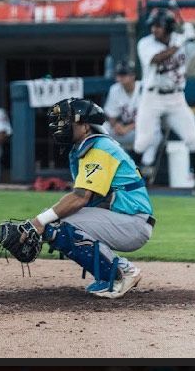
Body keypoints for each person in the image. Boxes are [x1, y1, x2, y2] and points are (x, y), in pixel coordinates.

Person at [16, 97, 154, 298]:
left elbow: (80, 197)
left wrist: (38, 221)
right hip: (122, 219)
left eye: (66, 121)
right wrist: (42, 223)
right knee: (53, 221)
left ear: (85, 126)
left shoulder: (98, 149)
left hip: (132, 223)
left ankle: (122, 272)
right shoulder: (90, 147)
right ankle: (112, 274)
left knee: (54, 224)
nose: (59, 126)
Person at [134, 9, 195, 175]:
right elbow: (157, 58)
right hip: (152, 97)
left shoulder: (181, 39)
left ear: (169, 27)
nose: (154, 29)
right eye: (153, 26)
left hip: (176, 97)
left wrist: (193, 35)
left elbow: (194, 55)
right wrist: (181, 42)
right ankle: (132, 178)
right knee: (142, 142)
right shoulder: (145, 43)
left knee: (194, 139)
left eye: (159, 26)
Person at [103, 61, 158, 166]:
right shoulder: (115, 89)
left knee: (155, 132)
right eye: (119, 75)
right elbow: (111, 114)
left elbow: (148, 118)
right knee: (103, 129)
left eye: (124, 75)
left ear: (133, 76)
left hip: (141, 130)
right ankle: (117, 163)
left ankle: (147, 166)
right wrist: (115, 125)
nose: (120, 78)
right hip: (124, 131)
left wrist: (127, 128)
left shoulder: (144, 89)